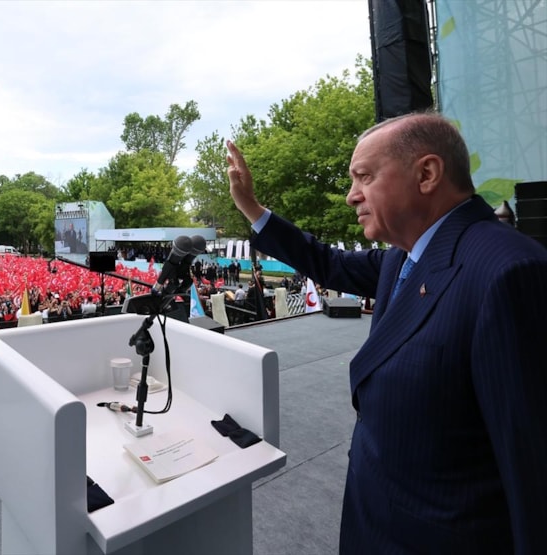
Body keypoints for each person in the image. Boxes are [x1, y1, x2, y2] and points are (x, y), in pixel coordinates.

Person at [226, 112, 547, 553]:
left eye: (364, 177)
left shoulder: (509, 271)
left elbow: (533, 471)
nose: (350, 196)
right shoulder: (402, 256)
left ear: (427, 174)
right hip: (375, 523)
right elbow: (329, 263)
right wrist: (251, 208)